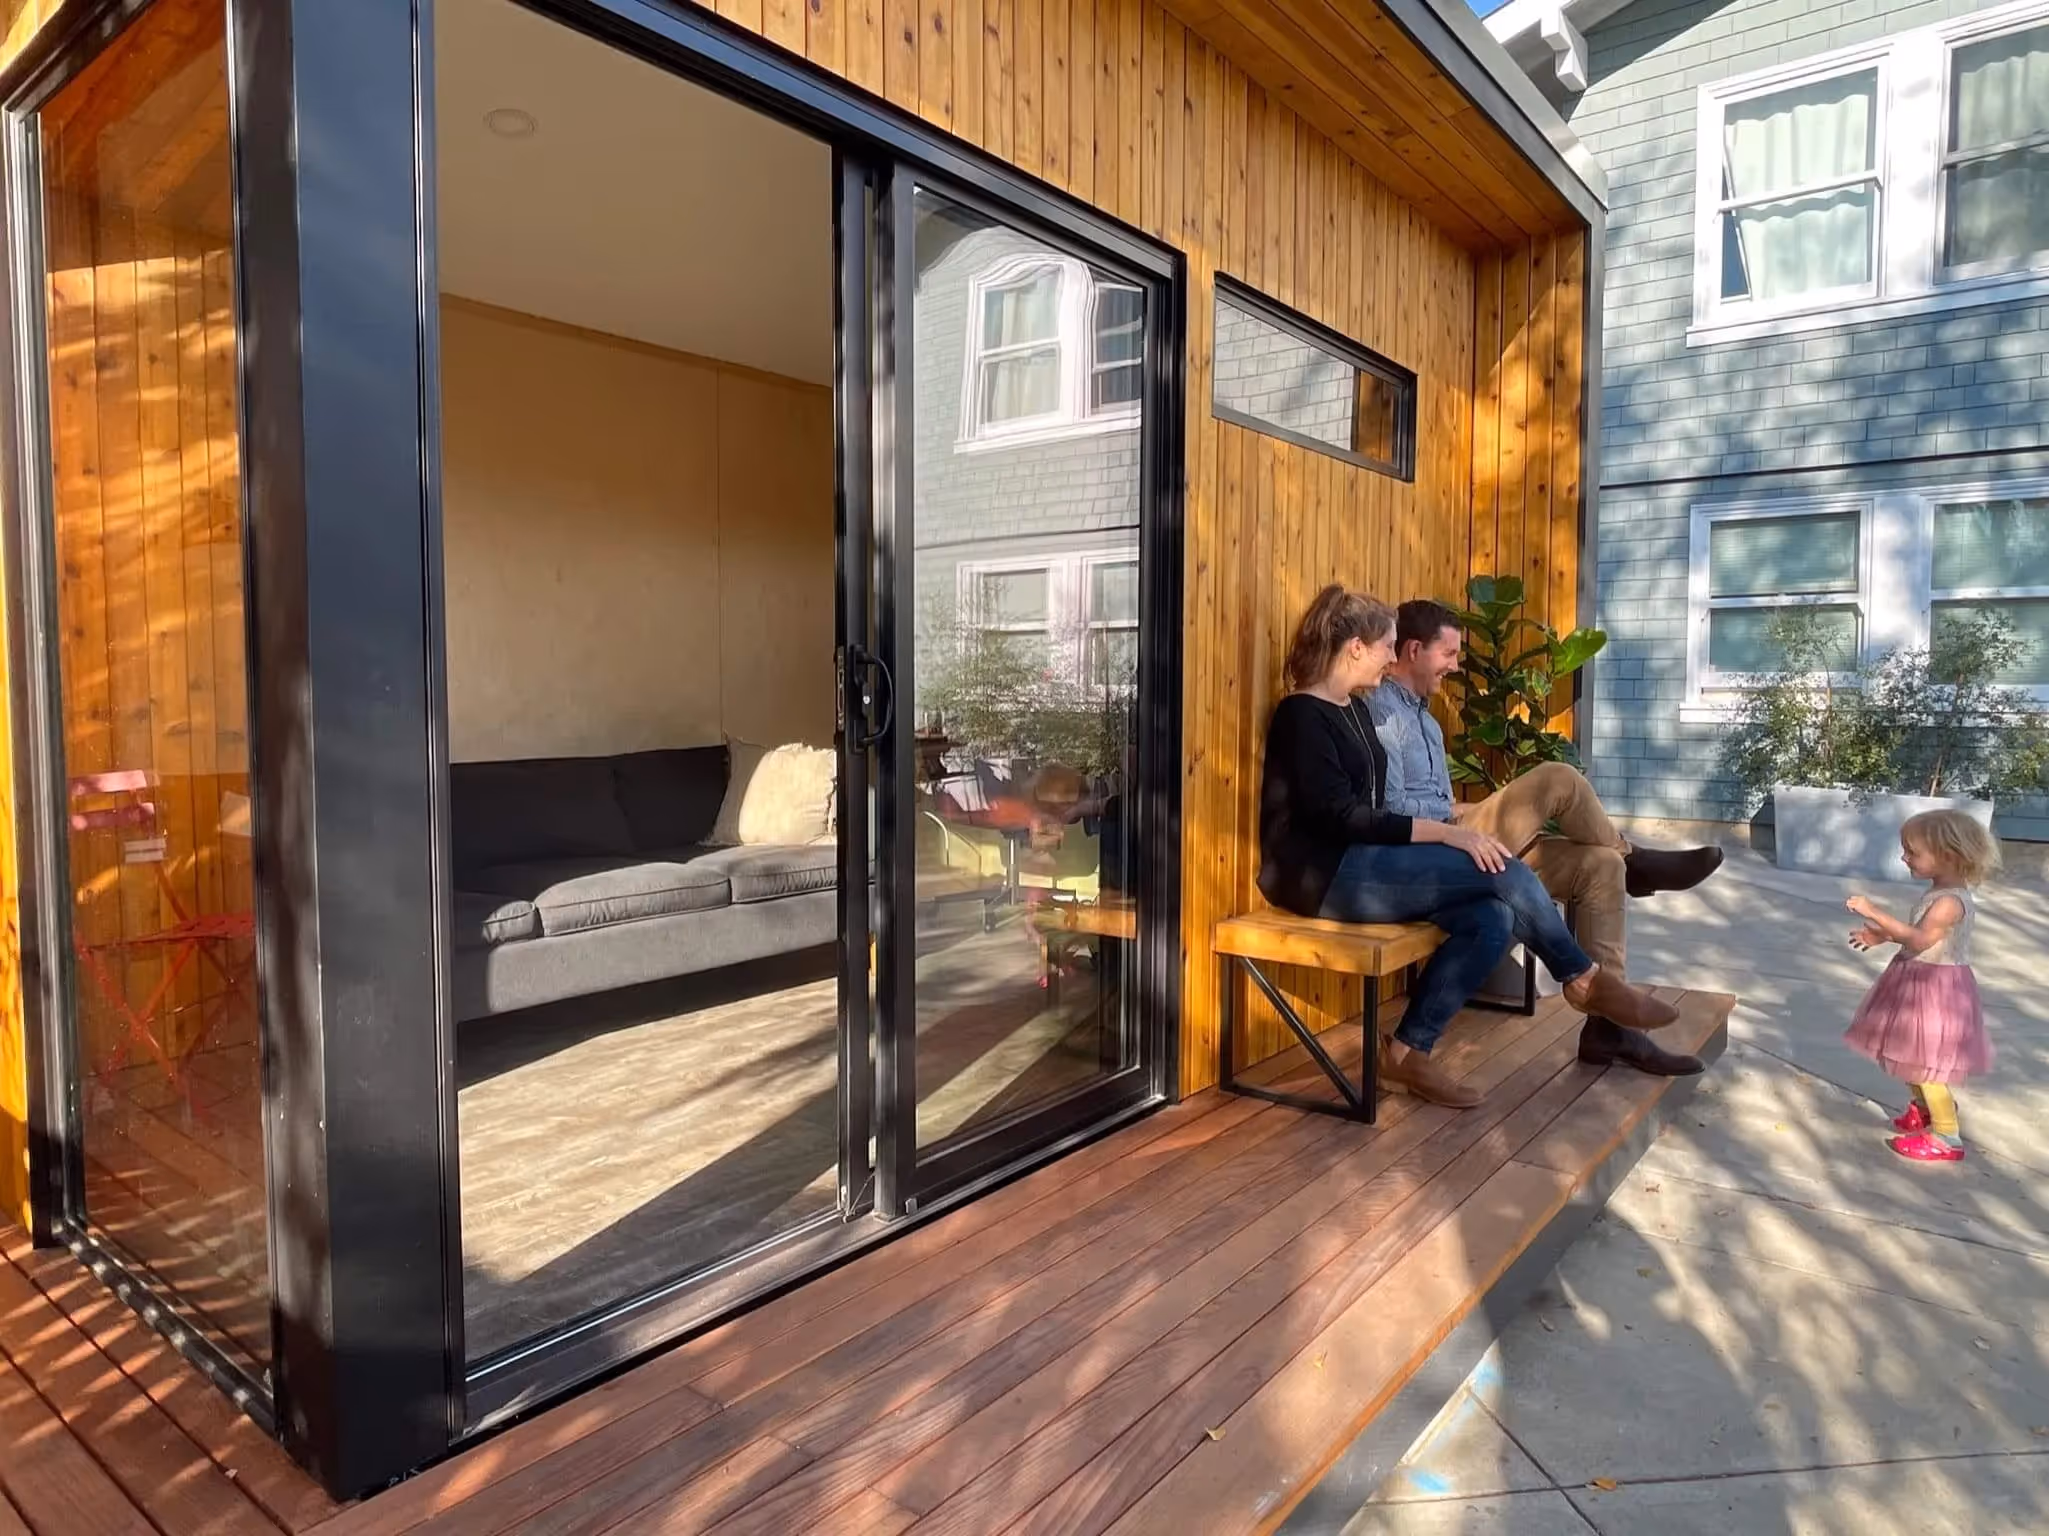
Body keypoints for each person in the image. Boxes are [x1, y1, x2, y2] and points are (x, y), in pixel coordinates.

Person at [1259, 584, 1680, 1109]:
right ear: (1356, 649)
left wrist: (1453, 824)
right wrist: (1449, 833)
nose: (1393, 655)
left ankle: (1407, 1055)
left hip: (1364, 861)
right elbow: (1340, 817)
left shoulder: (1354, 711)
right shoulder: (1301, 714)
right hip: (1319, 876)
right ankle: (1583, 979)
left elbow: (1371, 808)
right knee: (1496, 868)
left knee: (1492, 918)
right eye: (1389, 645)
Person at [1368, 598, 1724, 1078]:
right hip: (1423, 858)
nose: (1454, 666)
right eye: (1449, 654)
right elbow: (1389, 813)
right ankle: (1638, 859)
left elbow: (1433, 801)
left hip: (1459, 840)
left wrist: (1473, 810)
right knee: (1556, 777)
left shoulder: (1428, 723)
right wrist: (1471, 820)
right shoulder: (1379, 712)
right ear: (1413, 650)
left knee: (1601, 867)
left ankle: (1606, 1030)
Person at [1842, 810, 1998, 1163]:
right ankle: (1926, 1110)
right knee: (1911, 1058)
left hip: (1936, 990)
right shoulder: (1939, 892)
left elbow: (1921, 938)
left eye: (1912, 852)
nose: (1904, 857)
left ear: (1948, 855)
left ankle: (1946, 1136)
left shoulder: (1948, 902)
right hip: (1916, 981)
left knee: (1926, 1065)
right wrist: (1881, 936)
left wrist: (1875, 912)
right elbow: (1919, 940)